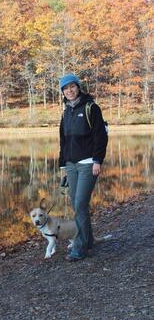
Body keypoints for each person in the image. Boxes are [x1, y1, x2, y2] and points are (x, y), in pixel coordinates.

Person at [58, 73, 108, 261]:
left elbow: (100, 136)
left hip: (88, 163)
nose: (69, 90)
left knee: (79, 204)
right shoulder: (66, 112)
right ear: (63, 92)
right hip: (71, 164)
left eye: (72, 86)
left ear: (78, 87)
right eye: (65, 88)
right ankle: (87, 240)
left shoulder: (91, 107)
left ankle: (79, 248)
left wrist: (97, 160)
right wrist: (63, 164)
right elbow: (63, 141)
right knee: (77, 204)